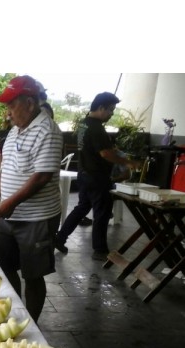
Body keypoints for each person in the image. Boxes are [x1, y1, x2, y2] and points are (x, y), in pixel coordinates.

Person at [0, 75, 63, 323]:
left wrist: (10, 203)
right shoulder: (15, 131)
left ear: (29, 102)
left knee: (33, 275)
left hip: (36, 218)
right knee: (4, 268)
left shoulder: (47, 130)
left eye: (11, 105)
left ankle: (31, 324)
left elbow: (42, 177)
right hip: (9, 215)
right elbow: (7, 173)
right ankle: (15, 313)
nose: (7, 113)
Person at [54, 92, 142, 260]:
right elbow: (105, 153)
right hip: (97, 177)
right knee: (102, 212)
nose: (111, 114)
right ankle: (100, 250)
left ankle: (59, 238)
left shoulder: (83, 125)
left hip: (84, 174)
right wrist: (127, 162)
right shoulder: (96, 128)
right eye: (110, 110)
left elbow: (91, 148)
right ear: (101, 108)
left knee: (82, 208)